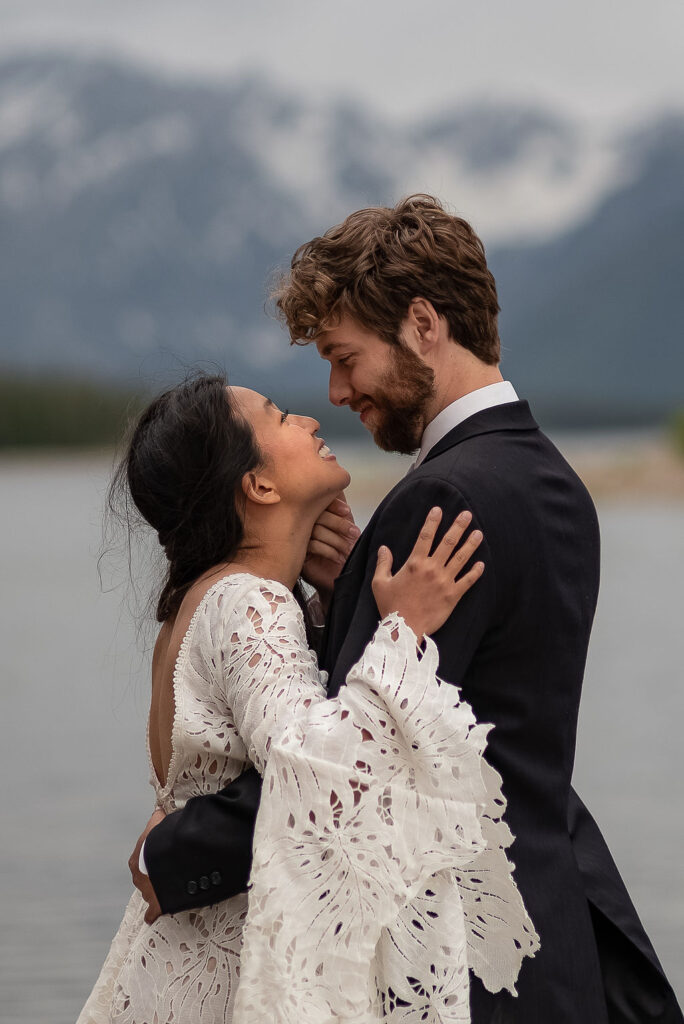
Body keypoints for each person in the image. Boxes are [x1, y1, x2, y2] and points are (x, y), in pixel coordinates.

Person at [133, 196, 683, 1023]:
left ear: (423, 325)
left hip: (462, 965)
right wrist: (351, 589)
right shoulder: (551, 481)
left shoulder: (440, 497)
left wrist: (168, 854)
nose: (336, 389)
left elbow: (354, 780)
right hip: (553, 935)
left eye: (345, 357)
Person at [77, 374, 537, 1023]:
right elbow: (310, 766)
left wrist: (336, 605)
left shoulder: (209, 598)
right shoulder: (249, 603)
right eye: (280, 416)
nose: (311, 421)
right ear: (259, 485)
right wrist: (401, 630)